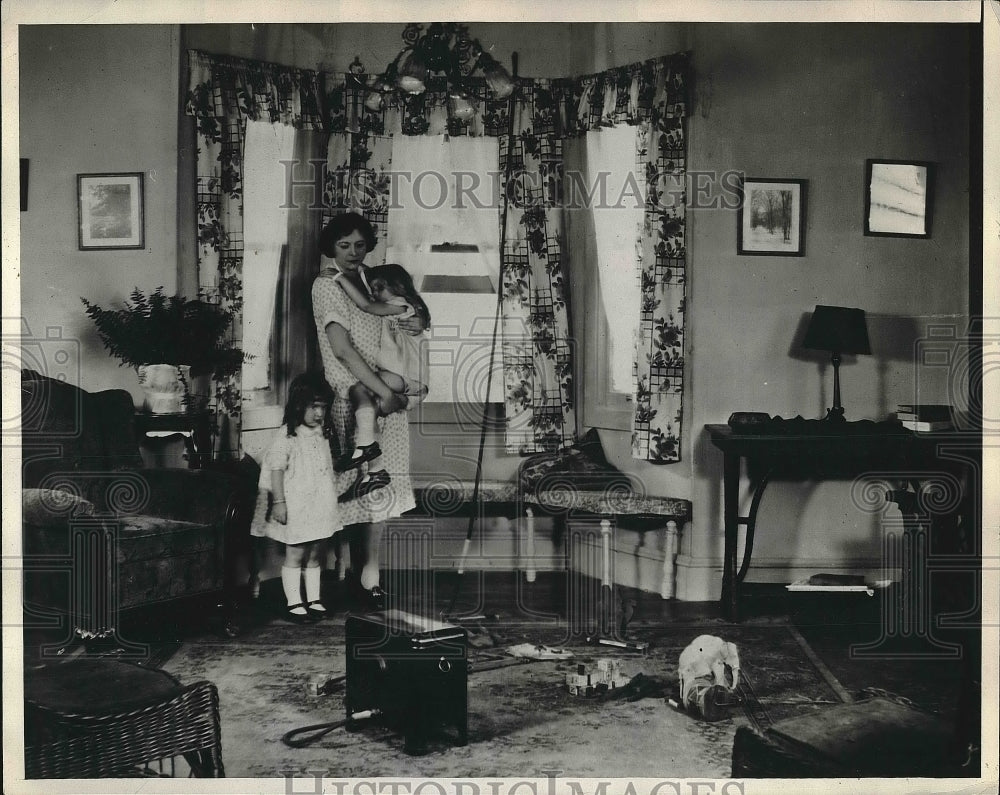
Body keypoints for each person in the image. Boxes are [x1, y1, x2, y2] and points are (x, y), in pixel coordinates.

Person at [312, 212, 427, 607]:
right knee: (344, 487)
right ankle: (329, 576)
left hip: (382, 389)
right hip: (353, 393)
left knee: (382, 488)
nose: (352, 252)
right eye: (344, 245)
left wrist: (415, 325)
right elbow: (342, 351)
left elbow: (403, 313)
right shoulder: (326, 285)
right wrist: (386, 393)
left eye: (359, 245)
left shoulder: (372, 280)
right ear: (331, 247)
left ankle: (369, 577)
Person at [331, 262, 430, 473]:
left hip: (407, 377)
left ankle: (365, 447)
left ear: (397, 286)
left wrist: (339, 278)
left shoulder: (401, 305)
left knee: (360, 389)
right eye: (373, 289)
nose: (375, 293)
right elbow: (368, 278)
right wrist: (359, 270)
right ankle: (374, 469)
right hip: (409, 383)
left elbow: (366, 306)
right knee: (366, 403)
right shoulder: (399, 306)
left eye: (379, 288)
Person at [258, 371, 339, 624]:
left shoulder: (322, 434)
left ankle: (313, 599)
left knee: (315, 555)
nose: (319, 413)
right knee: (295, 554)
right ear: (298, 405)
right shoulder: (287, 434)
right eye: (313, 407)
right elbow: (276, 469)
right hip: (296, 505)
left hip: (319, 504)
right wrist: (279, 503)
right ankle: (294, 602)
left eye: (323, 407)